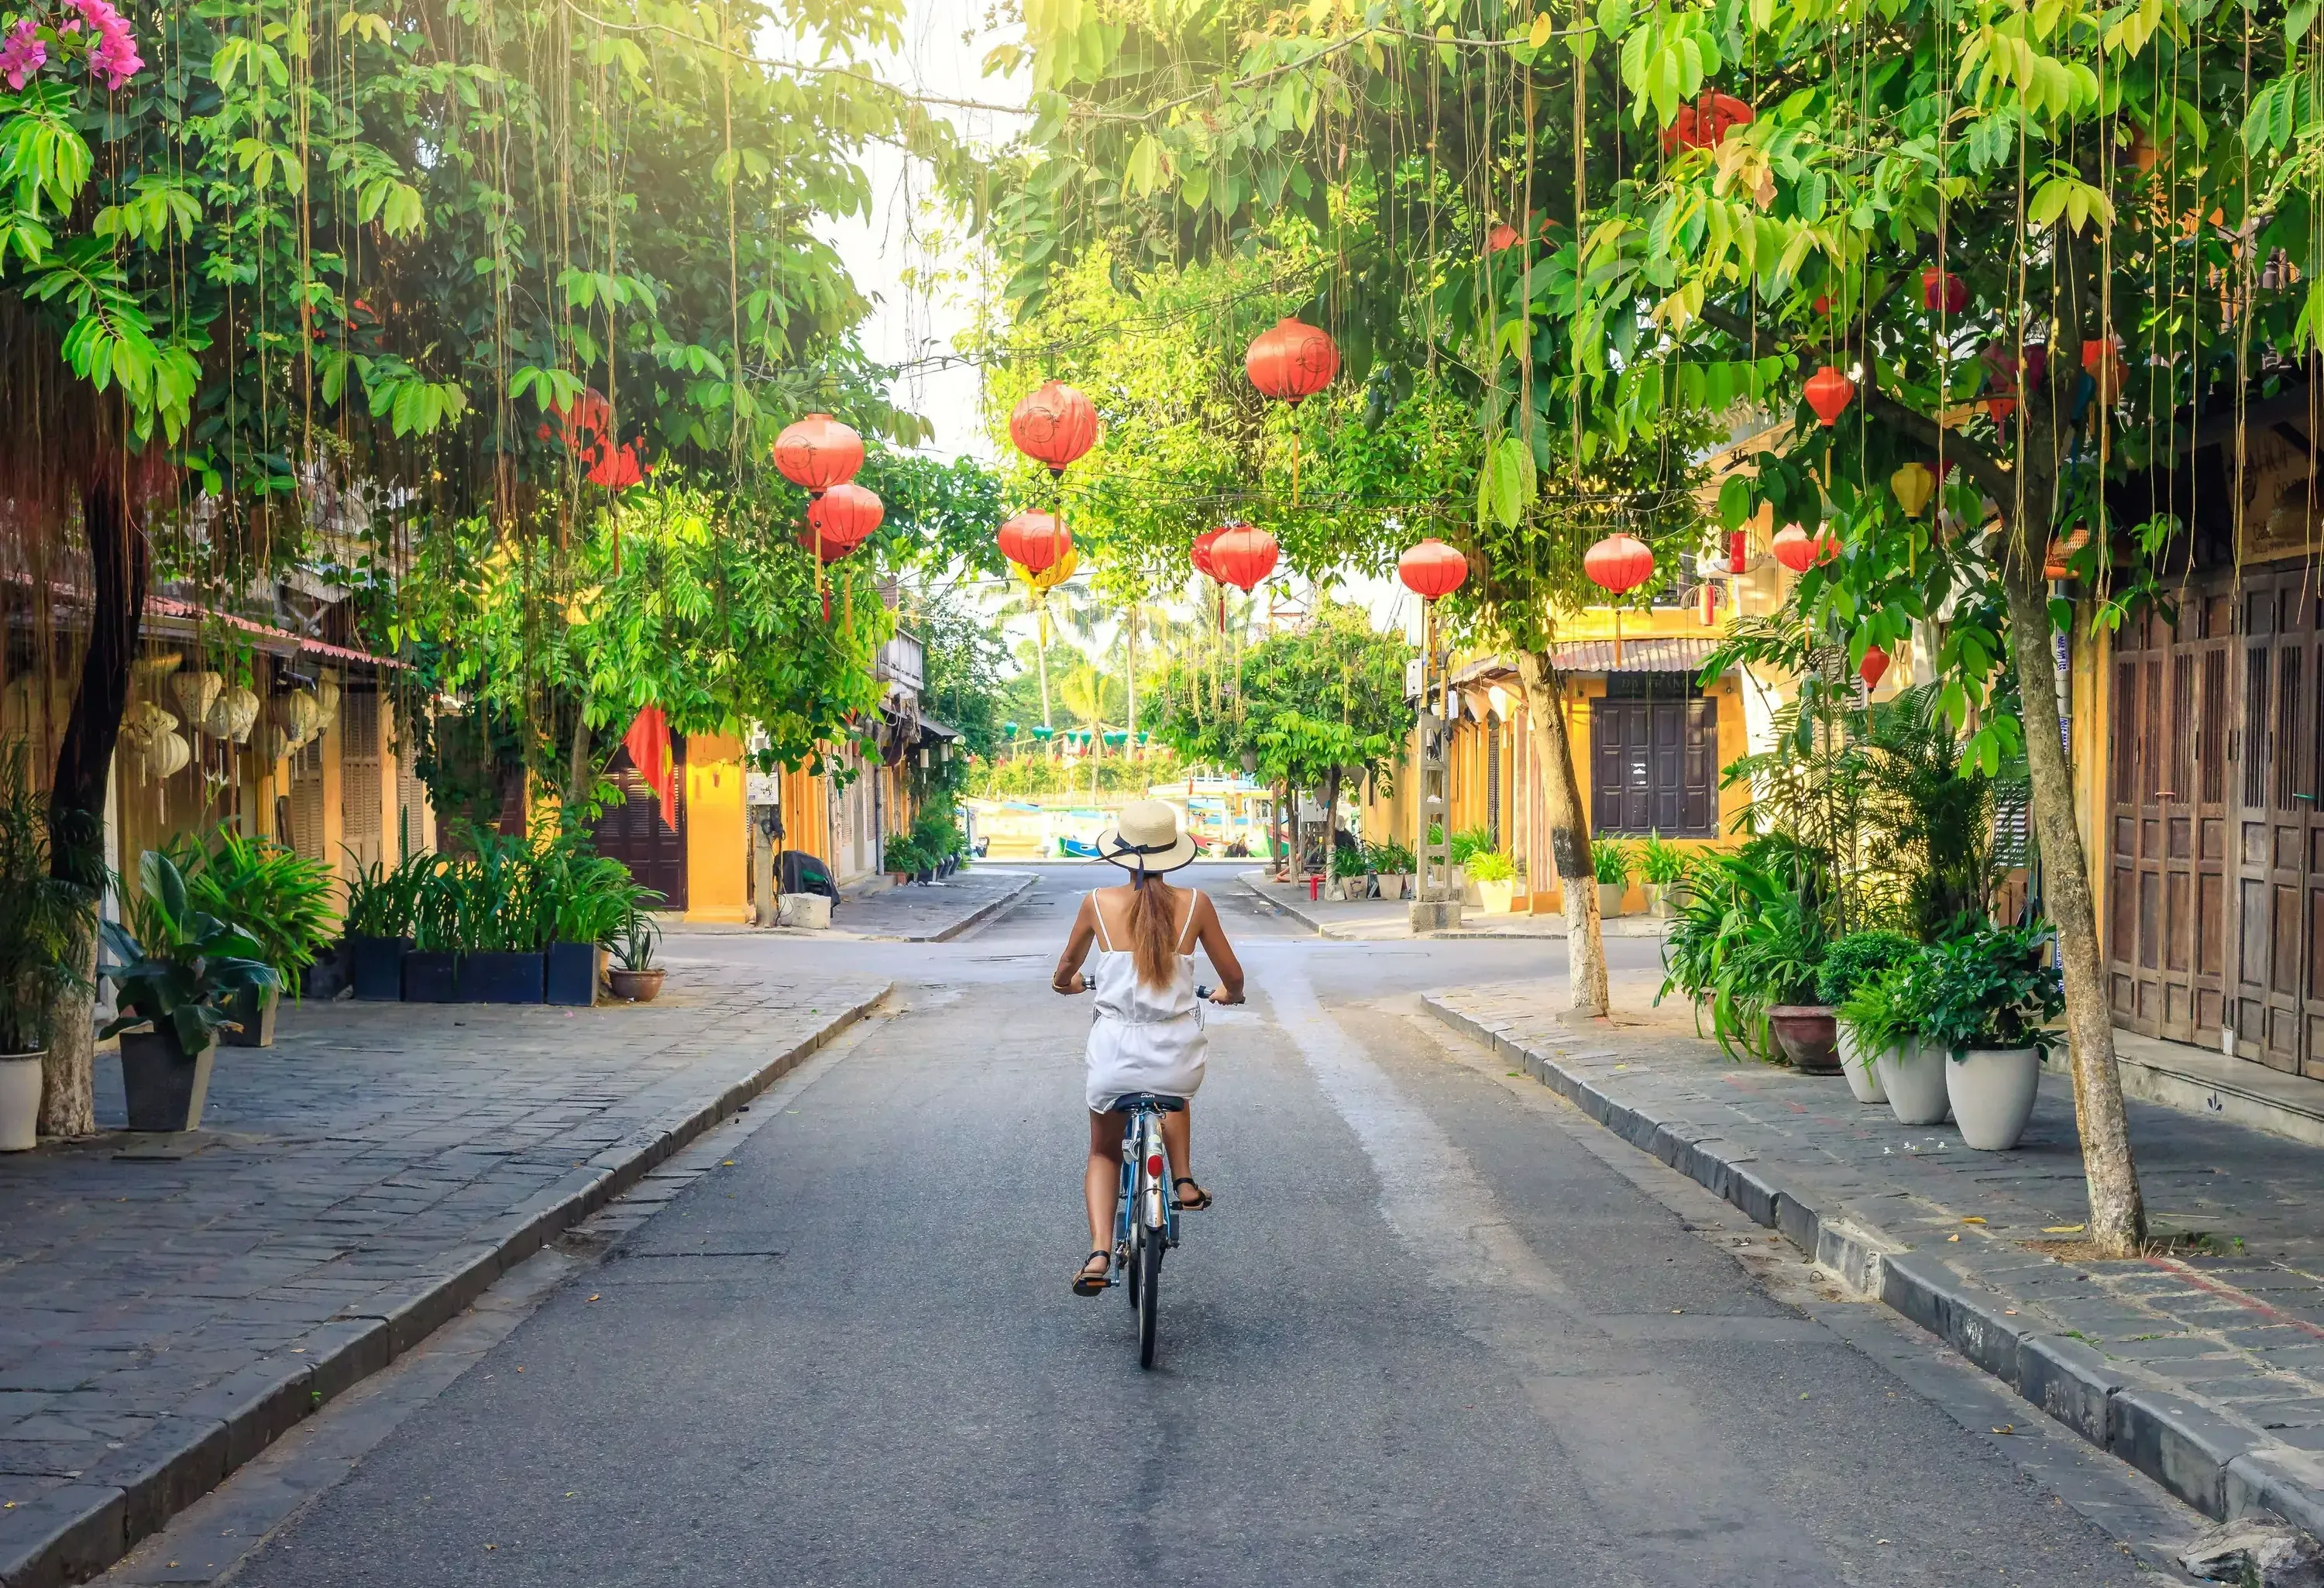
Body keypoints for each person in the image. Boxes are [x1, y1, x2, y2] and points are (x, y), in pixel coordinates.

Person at [1052, 799, 1245, 1296]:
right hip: (1176, 1054)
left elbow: (1063, 974)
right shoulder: (1196, 905)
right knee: (1172, 1093)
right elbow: (1234, 978)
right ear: (1173, 853)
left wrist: (1072, 985)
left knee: (1103, 1150)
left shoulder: (1096, 903)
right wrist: (1230, 995)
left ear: (1120, 852)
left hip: (1114, 1054)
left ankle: (1099, 1251)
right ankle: (1182, 1180)